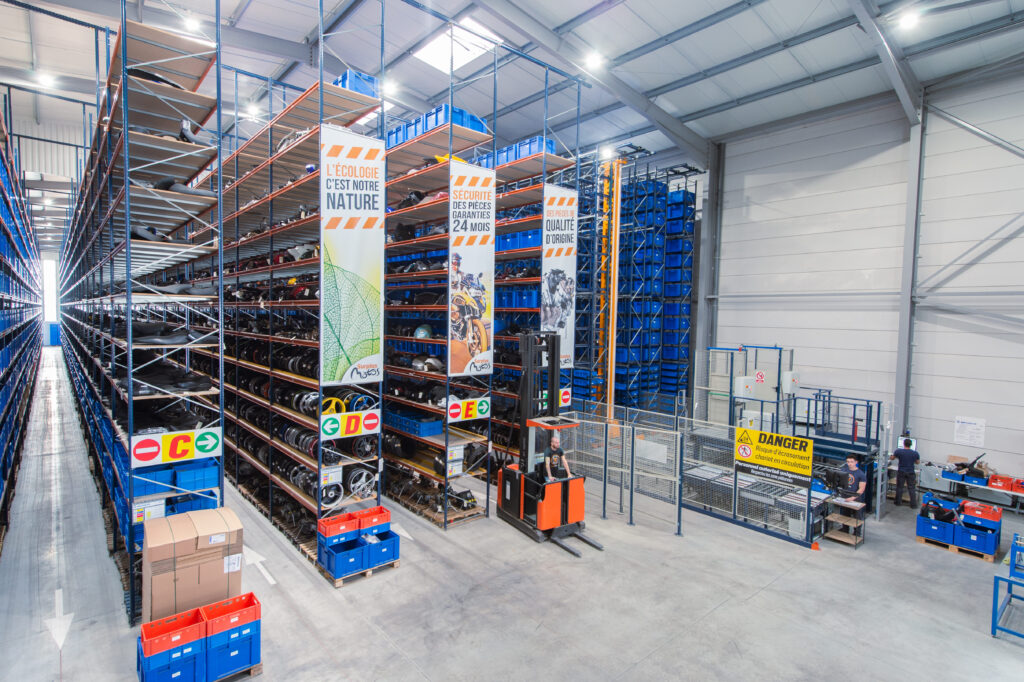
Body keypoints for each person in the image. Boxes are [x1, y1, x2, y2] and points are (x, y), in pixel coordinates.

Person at [839, 454, 867, 535]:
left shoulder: (861, 474)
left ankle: (857, 533)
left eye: (851, 462)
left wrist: (852, 498)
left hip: (856, 499)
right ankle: (845, 530)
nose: (849, 464)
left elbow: (861, 489)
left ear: (856, 462)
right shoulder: (844, 471)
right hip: (845, 496)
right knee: (845, 515)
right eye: (848, 462)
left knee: (857, 517)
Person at [890, 438, 920, 507]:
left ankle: (898, 502)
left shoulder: (898, 451)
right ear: (911, 445)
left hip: (901, 471)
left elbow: (892, 458)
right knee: (911, 488)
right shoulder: (915, 453)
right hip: (911, 472)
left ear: (903, 444)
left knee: (899, 487)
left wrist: (891, 456)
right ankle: (913, 505)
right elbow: (917, 462)